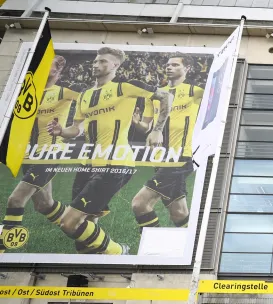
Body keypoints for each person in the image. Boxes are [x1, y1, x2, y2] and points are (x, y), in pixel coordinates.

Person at [47, 46, 173, 255]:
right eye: (95, 61)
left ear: (115, 65)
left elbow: (166, 97)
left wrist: (157, 130)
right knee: (85, 223)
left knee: (69, 223)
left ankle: (118, 252)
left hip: (116, 163)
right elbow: (76, 129)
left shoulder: (125, 87)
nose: (96, 65)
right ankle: (88, 266)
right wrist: (62, 131)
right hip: (88, 165)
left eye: (103, 61)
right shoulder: (85, 95)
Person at [1, 56, 78, 253]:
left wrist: (73, 129)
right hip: (30, 154)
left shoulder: (66, 92)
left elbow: (92, 107)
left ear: (57, 72)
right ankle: (91, 234)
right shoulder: (27, 94)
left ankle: (3, 253)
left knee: (15, 200)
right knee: (44, 205)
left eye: (47, 67)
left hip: (50, 154)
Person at [131, 53, 204, 232]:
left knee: (139, 204)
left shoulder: (196, 91)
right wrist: (136, 123)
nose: (169, 67)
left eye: (175, 65)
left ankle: (154, 248)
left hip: (181, 157)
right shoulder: (155, 95)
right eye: (168, 65)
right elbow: (147, 126)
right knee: (178, 212)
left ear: (187, 68)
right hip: (160, 159)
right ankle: (191, 245)